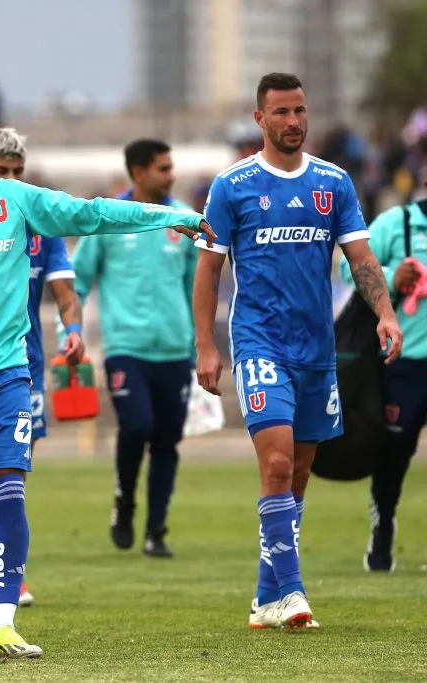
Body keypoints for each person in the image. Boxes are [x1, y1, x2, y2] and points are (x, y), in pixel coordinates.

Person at [0, 97, 212, 659]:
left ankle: (2, 624)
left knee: (6, 493)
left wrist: (169, 215)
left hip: (4, 377)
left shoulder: (15, 200)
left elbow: (93, 213)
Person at [194, 72, 403, 631]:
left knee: (301, 470)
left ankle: (265, 595)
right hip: (260, 344)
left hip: (317, 350)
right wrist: (206, 346)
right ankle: (291, 592)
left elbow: (360, 257)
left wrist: (385, 312)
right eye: (281, 112)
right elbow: (208, 272)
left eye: (300, 111)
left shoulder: (333, 183)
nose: (293, 121)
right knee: (279, 462)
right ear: (259, 118)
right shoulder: (231, 185)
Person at [0, 127, 83, 606]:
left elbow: (66, 295)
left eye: (17, 172)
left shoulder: (38, 227)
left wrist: (74, 333)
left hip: (21, 365)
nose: (9, 179)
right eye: (0, 170)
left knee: (9, 473)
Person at [71, 139, 196, 558]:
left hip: (175, 351)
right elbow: (76, 279)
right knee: (137, 425)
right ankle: (124, 502)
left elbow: (195, 288)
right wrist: (69, 328)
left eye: (171, 167)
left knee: (166, 442)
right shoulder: (109, 219)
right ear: (138, 173)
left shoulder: (182, 220)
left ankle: (156, 530)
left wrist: (199, 343)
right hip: (126, 348)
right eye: (163, 168)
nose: (171, 175)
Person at [339, 196, 427, 572]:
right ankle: (383, 530)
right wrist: (393, 278)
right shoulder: (397, 222)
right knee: (395, 452)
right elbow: (351, 269)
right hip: (404, 363)